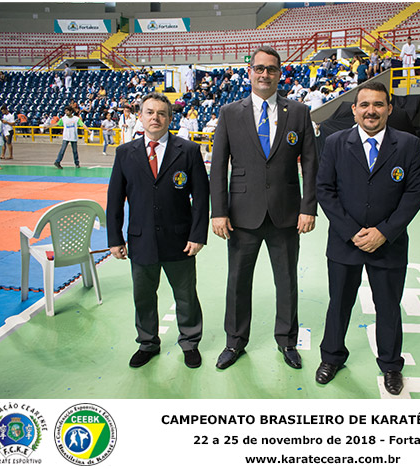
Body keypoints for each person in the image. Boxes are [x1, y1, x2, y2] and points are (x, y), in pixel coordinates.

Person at [210, 46, 318, 370]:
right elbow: (219, 166)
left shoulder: (298, 112)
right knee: (238, 282)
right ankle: (235, 341)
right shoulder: (230, 113)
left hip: (286, 213)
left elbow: (311, 163)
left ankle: (287, 341)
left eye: (271, 69)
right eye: (259, 68)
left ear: (279, 73)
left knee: (286, 282)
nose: (265, 74)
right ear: (250, 73)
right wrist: (219, 211)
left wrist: (308, 207)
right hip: (242, 215)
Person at [314, 82, 420, 395]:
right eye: (364, 105)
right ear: (354, 110)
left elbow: (414, 193)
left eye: (378, 104)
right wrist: (351, 231)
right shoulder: (335, 142)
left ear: (389, 109)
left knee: (388, 306)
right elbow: (325, 190)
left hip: (388, 244)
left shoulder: (407, 144)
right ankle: (332, 357)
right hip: (344, 242)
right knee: (339, 304)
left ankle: (391, 365)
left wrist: (384, 232)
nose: (371, 111)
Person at [106, 92, 209, 369]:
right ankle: (147, 343)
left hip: (180, 239)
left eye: (162, 113)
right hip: (141, 240)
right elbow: (115, 199)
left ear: (170, 118)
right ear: (140, 117)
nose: (155, 118)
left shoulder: (188, 151)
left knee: (186, 296)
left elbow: (201, 198)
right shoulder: (125, 153)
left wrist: (197, 235)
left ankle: (190, 342)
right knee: (143, 297)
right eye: (150, 112)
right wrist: (115, 238)